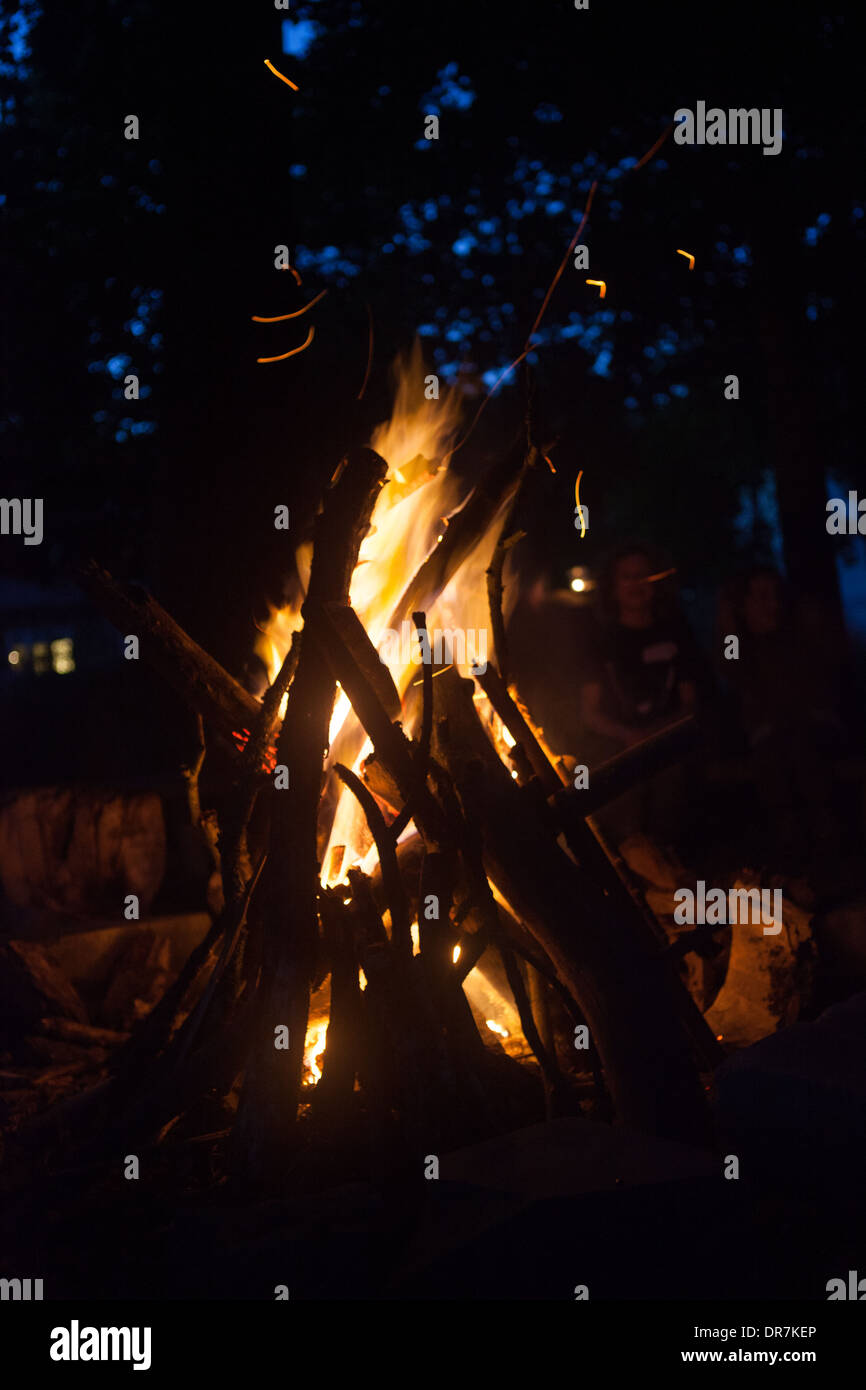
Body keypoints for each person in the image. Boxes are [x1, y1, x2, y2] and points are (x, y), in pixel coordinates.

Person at [720, 565, 846, 877]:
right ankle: (791, 845)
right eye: (761, 597)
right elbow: (731, 670)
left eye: (776, 597)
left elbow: (822, 691)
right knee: (774, 754)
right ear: (745, 604)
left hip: (813, 729)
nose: (772, 605)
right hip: (769, 739)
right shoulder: (740, 646)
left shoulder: (801, 638)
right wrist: (730, 624)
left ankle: (826, 838)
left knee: (801, 748)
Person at [578, 545, 704, 850]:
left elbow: (691, 703)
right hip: (618, 744)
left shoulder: (676, 632)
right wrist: (629, 735)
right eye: (627, 577)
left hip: (671, 741)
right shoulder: (601, 641)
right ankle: (634, 868)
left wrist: (659, 735)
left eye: (644, 576)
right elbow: (589, 712)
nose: (637, 584)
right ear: (612, 586)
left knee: (670, 781)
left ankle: (670, 870)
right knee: (621, 787)